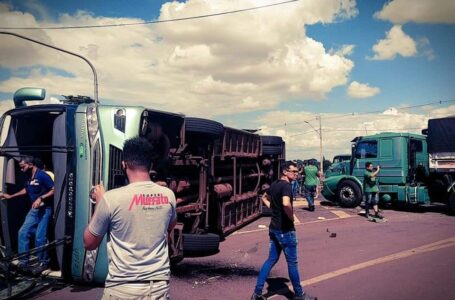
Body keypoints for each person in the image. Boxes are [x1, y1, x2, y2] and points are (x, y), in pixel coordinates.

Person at [84, 137, 177, 299]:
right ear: (151, 165)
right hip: (159, 287)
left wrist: (100, 203)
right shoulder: (168, 195)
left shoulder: (111, 199)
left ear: (124, 164)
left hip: (124, 288)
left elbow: (89, 243)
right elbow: (169, 226)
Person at [251, 162, 317, 300]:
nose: (296, 174)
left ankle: (257, 294)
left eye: (297, 171)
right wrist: (291, 216)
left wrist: (274, 209)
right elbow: (286, 203)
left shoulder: (274, 184)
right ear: (285, 172)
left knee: (270, 260)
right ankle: (299, 295)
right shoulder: (286, 185)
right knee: (292, 263)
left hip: (274, 229)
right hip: (285, 230)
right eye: (293, 171)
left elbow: (263, 197)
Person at [0, 156, 54, 273]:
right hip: (34, 210)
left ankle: (44, 263)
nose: (21, 169)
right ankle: (23, 262)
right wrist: (11, 196)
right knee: (23, 233)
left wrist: (40, 198)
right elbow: (26, 190)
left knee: (40, 237)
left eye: (23, 167)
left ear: (30, 165)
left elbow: (53, 189)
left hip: (45, 209)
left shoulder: (42, 175)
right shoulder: (29, 177)